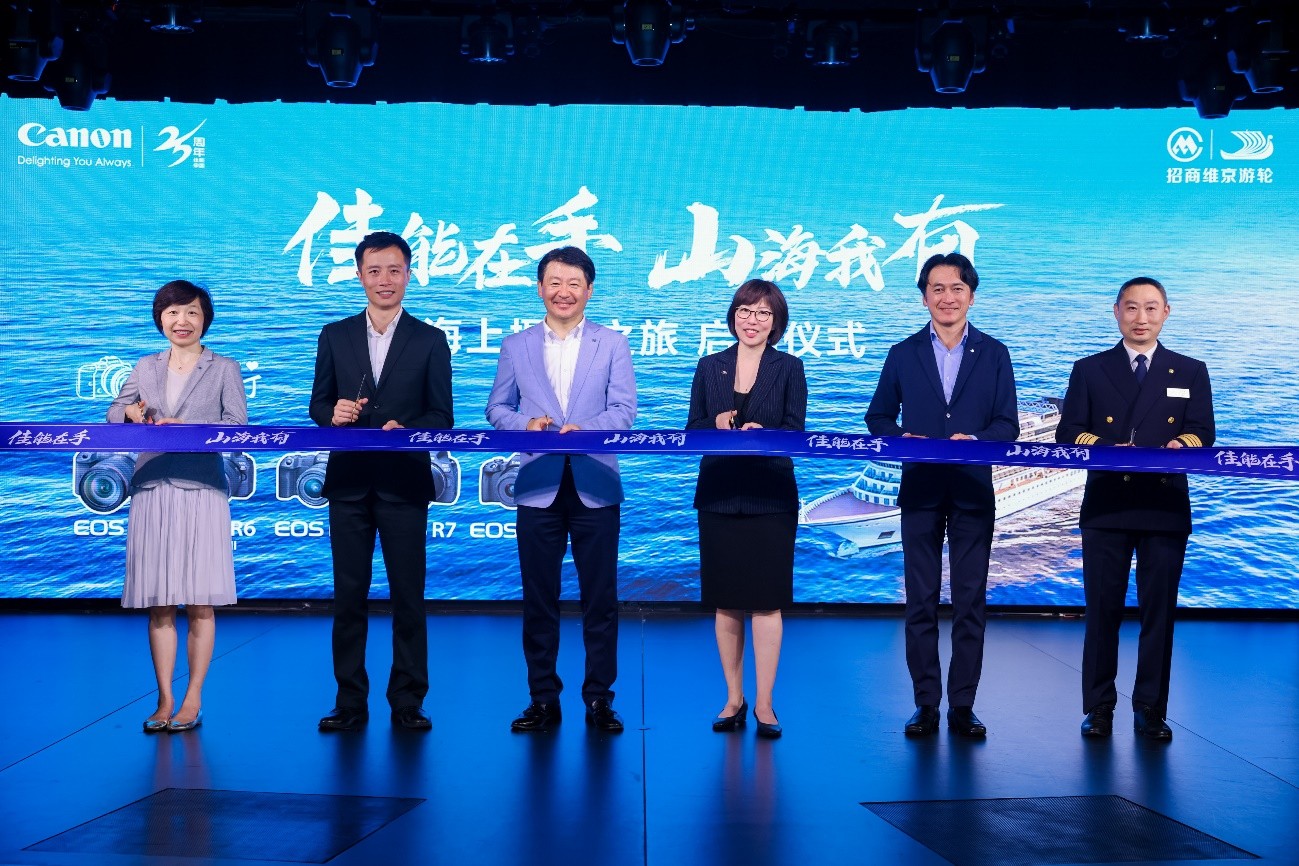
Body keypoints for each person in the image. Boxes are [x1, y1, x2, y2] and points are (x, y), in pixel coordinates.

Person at [865, 252, 1018, 739]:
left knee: (970, 600)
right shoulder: (903, 353)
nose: (947, 297)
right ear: (924, 297)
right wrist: (901, 437)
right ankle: (926, 704)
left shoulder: (994, 353)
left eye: (956, 288)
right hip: (922, 489)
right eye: (937, 288)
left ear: (971, 296)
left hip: (973, 489)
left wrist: (977, 440)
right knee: (921, 600)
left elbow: (1007, 425)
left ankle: (963, 706)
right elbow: (878, 416)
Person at [485, 246, 637, 733]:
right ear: (540, 288)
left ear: (589, 290)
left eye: (573, 283)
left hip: (595, 484)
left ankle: (599, 699)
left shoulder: (612, 343)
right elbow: (496, 408)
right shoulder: (517, 345)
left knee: (600, 599)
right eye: (554, 282)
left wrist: (586, 431)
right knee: (539, 598)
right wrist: (525, 424)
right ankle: (542, 699)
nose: (563, 292)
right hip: (538, 487)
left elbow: (624, 411)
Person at [1057, 277, 1214, 741]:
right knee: (1101, 611)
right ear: (1116, 312)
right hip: (1107, 503)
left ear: (1166, 312)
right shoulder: (1090, 369)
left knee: (1158, 614)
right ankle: (1098, 707)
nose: (1140, 318)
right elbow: (1069, 431)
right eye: (1131, 307)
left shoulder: (1191, 370)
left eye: (1150, 308)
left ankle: (1150, 709)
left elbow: (1204, 432)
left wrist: (1179, 445)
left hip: (1164, 506)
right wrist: (1109, 448)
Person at [309, 231, 454, 732]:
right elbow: (317, 404)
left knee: (408, 597)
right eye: (374, 271)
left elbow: (442, 417)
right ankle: (349, 700)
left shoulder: (430, 339)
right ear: (359, 276)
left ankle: (408, 700)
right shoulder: (335, 335)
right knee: (348, 597)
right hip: (348, 484)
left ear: (409, 274)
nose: (384, 280)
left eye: (394, 270)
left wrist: (408, 430)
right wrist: (333, 413)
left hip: (403, 483)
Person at [108, 280, 247, 732]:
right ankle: (165, 698)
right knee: (161, 604)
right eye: (172, 313)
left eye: (191, 312)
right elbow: (115, 412)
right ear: (160, 319)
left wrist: (185, 428)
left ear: (205, 318)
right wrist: (130, 413)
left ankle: (193, 699)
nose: (181, 321)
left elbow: (237, 426)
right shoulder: (145, 366)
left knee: (200, 603)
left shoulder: (224, 367)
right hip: (152, 487)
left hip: (202, 487)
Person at [686, 279, 806, 740]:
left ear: (776, 322)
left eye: (762, 313)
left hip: (770, 496)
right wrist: (714, 423)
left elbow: (796, 431)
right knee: (727, 600)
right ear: (733, 315)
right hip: (719, 493)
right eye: (745, 310)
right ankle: (733, 699)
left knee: (767, 601)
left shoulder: (789, 367)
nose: (752, 320)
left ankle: (765, 703)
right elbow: (692, 430)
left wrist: (765, 434)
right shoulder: (709, 365)